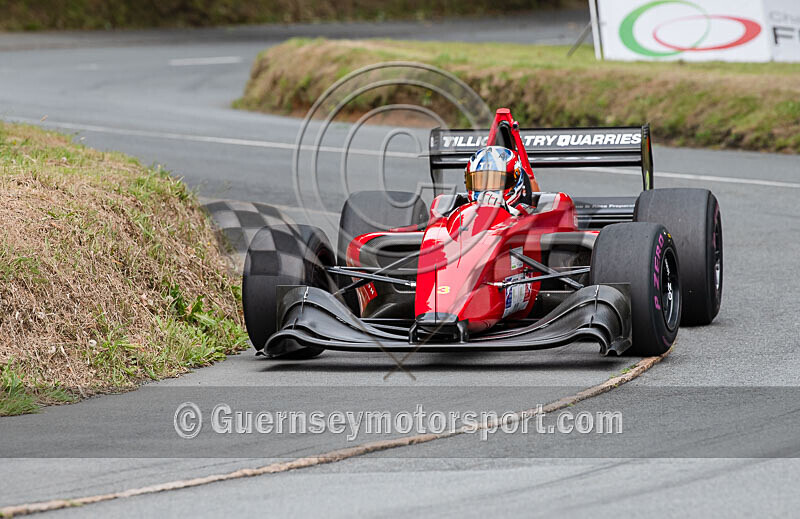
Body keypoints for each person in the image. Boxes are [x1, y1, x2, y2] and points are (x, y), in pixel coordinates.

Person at [464, 146, 533, 215]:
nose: (488, 192)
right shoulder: (459, 211)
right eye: (480, 182)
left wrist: (510, 212)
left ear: (516, 180)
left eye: (496, 181)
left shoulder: (530, 215)